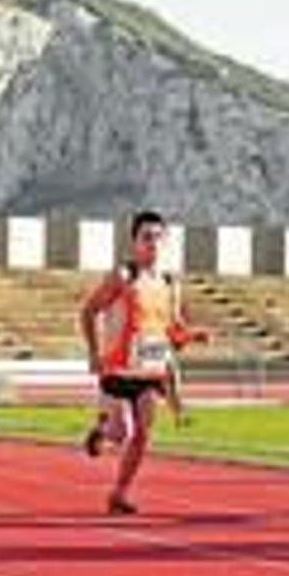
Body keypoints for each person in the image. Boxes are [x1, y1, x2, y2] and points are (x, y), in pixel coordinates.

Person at [79, 211, 208, 515]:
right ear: (134, 242)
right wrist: (94, 353)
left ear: (166, 242)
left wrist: (191, 335)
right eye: (146, 237)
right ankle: (101, 431)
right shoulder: (124, 277)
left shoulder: (169, 281)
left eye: (158, 237)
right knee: (119, 434)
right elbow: (88, 311)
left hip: (150, 369)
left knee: (144, 432)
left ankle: (119, 493)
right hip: (118, 368)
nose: (153, 243)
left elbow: (173, 330)